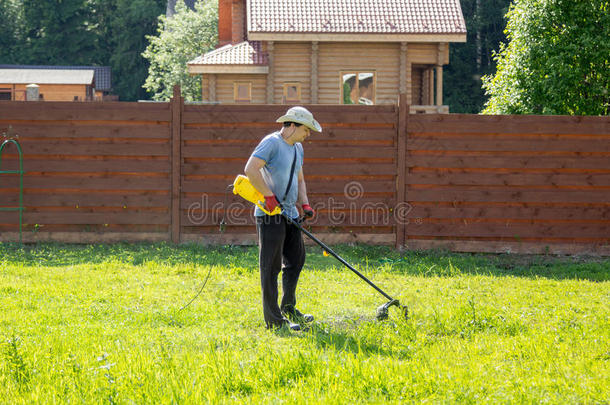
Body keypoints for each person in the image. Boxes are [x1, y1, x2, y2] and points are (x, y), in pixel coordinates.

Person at [244, 106, 322, 331]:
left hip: (290, 213)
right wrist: (268, 197)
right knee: (270, 267)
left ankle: (288, 307)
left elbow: (299, 178)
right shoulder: (272, 142)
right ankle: (274, 320)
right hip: (270, 214)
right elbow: (251, 169)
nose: (308, 135)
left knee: (296, 260)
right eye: (307, 130)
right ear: (293, 125)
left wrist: (304, 203)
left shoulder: (298, 148)